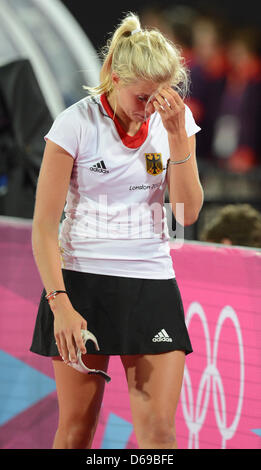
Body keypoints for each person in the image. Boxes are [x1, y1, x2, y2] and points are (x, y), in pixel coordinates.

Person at [30, 12, 203, 449]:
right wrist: (60, 305)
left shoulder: (173, 125)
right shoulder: (76, 123)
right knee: (76, 432)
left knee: (161, 434)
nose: (148, 108)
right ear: (114, 77)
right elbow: (44, 226)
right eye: (140, 96)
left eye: (157, 96)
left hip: (151, 281)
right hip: (81, 284)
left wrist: (180, 141)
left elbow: (187, 214)